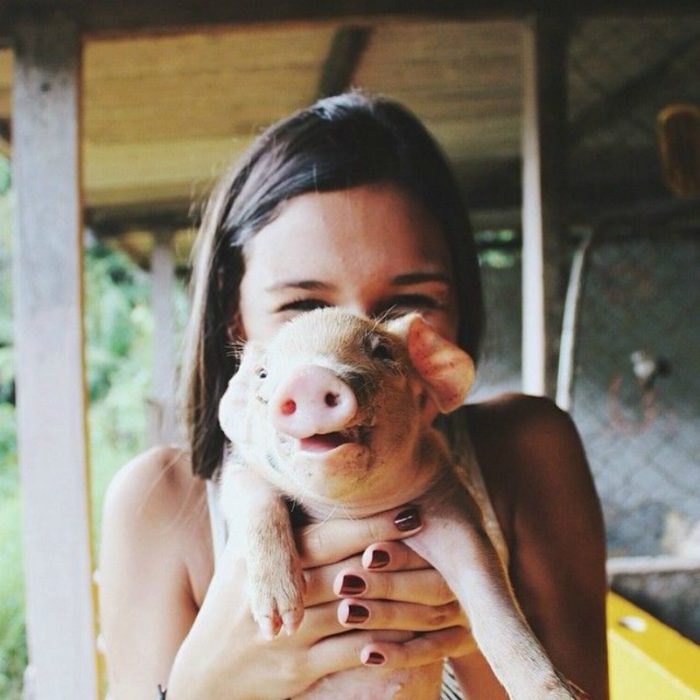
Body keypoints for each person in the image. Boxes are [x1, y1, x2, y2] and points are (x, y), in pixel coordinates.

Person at [98, 92, 608, 700]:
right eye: (304, 308)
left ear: (435, 343)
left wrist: (462, 624)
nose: (339, 355)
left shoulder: (526, 451)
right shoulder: (160, 504)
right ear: (236, 323)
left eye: (409, 302)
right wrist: (201, 686)